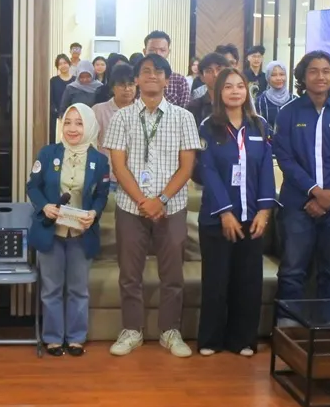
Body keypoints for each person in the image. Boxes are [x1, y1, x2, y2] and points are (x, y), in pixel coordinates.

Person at [102, 53, 200, 357]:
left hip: (172, 207)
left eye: (158, 71)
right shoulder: (122, 117)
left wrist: (162, 200)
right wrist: (143, 201)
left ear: (167, 80)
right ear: (136, 79)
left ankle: (170, 331)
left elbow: (187, 167)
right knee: (130, 274)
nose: (152, 75)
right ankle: (132, 330)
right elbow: (118, 165)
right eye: (145, 71)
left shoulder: (184, 117)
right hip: (131, 207)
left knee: (172, 275)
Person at [273, 51, 330, 323]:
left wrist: (328, 197)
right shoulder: (288, 113)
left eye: (326, 71)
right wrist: (314, 191)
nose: (320, 76)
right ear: (303, 76)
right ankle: (288, 331)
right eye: (313, 71)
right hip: (297, 204)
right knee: (292, 271)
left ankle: (328, 331)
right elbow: (285, 158)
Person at [196, 68, 275, 356]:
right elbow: (207, 170)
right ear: (219, 92)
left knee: (248, 282)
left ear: (247, 90)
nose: (234, 91)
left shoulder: (260, 125)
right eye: (228, 86)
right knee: (216, 281)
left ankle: (243, 339)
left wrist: (264, 211)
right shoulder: (208, 126)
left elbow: (266, 169)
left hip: (252, 217)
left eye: (239, 86)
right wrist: (225, 212)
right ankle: (210, 340)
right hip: (217, 218)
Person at [27, 102, 111, 356]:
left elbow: (101, 195)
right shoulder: (47, 153)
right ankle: (53, 338)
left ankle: (76, 338)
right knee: (51, 289)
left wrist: (94, 213)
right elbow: (33, 187)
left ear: (90, 127)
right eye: (68, 123)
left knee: (78, 289)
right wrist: (44, 206)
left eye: (79, 123)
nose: (72, 129)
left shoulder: (100, 160)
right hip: (51, 231)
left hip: (81, 233)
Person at [92, 62, 136, 155]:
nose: (127, 89)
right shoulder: (98, 111)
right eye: (122, 85)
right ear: (112, 88)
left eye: (131, 84)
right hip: (106, 162)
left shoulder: (144, 110)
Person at [143, 31, 190, 107]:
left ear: (168, 52)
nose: (157, 54)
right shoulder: (137, 80)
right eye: (152, 50)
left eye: (162, 50)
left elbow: (184, 111)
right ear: (145, 52)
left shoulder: (179, 81)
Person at [254, 60, 293, 139]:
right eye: (273, 75)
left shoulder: (294, 101)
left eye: (282, 74)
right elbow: (259, 126)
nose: (278, 78)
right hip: (269, 143)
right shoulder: (260, 102)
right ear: (268, 78)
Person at [187, 52, 228, 122]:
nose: (215, 74)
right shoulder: (194, 108)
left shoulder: (236, 102)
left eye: (219, 69)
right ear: (202, 77)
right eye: (209, 71)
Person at [49, 54, 72, 138]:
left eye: (65, 63)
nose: (63, 66)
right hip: (57, 117)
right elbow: (50, 100)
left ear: (69, 64)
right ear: (57, 67)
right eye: (60, 64)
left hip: (73, 116)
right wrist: (57, 113)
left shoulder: (75, 80)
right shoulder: (53, 81)